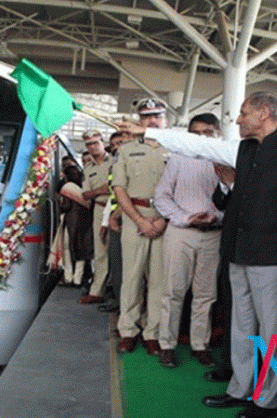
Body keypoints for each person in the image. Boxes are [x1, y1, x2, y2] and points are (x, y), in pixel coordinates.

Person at [117, 91, 277, 418]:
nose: (237, 119)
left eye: (243, 113)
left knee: (274, 333)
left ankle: (267, 401)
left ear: (264, 114)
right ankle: (240, 390)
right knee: (241, 327)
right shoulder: (240, 149)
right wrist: (148, 132)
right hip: (239, 252)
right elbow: (196, 146)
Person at [155, 113, 223, 369]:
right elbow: (161, 197)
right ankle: (167, 346)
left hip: (214, 232)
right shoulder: (178, 158)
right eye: (196, 133)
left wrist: (215, 216)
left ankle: (199, 345)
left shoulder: (226, 159)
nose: (202, 138)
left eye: (208, 132)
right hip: (181, 233)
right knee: (173, 292)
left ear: (218, 133)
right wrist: (185, 218)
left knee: (206, 295)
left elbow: (237, 199)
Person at [112, 97, 170, 356]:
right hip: (134, 216)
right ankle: (128, 330)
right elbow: (119, 188)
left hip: (166, 219)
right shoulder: (125, 150)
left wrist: (163, 219)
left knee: (159, 281)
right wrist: (139, 220)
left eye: (158, 115)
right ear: (138, 121)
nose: (153, 120)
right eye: (147, 117)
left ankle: (153, 333)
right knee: (132, 278)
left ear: (166, 119)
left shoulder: (176, 148)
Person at [80, 130, 112, 304]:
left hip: (120, 207)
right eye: (89, 144)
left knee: (123, 252)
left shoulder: (116, 161)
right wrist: (100, 190)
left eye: (95, 143)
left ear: (102, 142)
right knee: (100, 251)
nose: (92, 147)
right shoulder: (88, 168)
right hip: (99, 209)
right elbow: (85, 194)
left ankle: (118, 293)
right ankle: (97, 291)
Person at [97, 131, 127, 313]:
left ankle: (128, 305)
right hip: (116, 219)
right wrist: (105, 222)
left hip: (129, 218)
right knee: (116, 263)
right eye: (114, 145)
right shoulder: (114, 167)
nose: (116, 148)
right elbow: (112, 197)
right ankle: (118, 300)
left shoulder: (133, 164)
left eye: (120, 143)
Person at [59, 165, 94, 288]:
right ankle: (78, 279)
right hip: (85, 223)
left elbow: (66, 206)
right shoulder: (83, 187)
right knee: (82, 251)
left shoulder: (67, 187)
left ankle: (68, 277)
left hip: (71, 223)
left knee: (67, 250)